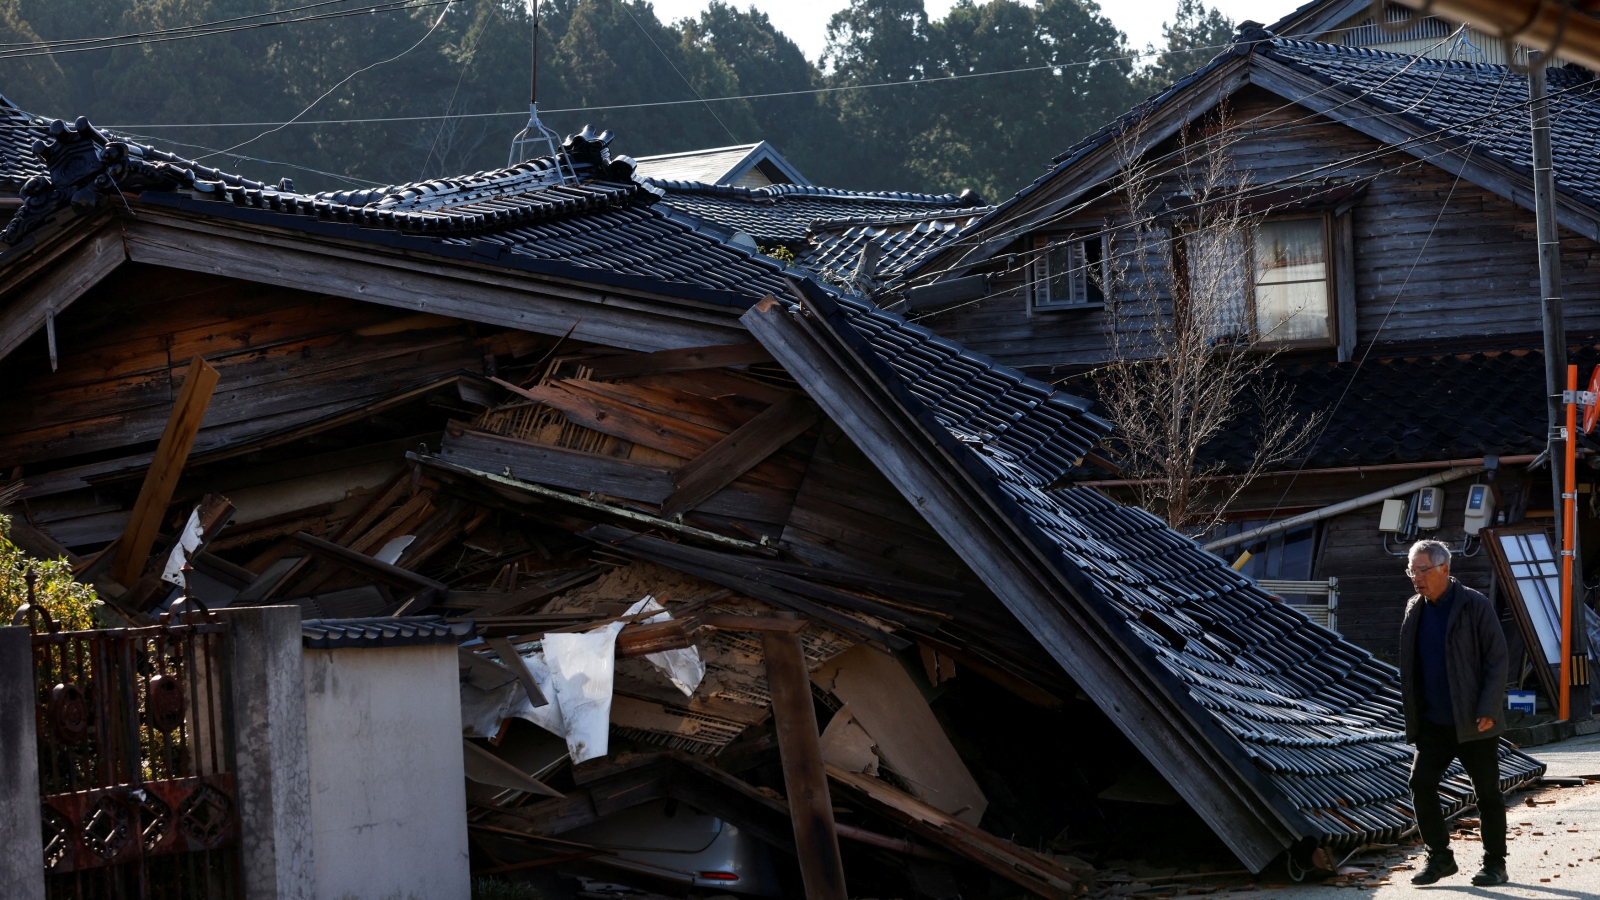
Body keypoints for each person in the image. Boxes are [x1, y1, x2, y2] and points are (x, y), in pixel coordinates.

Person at [1398, 539, 1509, 886]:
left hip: (1473, 719)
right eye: (1411, 570)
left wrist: (1489, 707)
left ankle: (1494, 863)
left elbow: (1497, 658)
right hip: (1433, 721)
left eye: (1422, 570)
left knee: (1487, 793)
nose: (1415, 577)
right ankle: (1440, 857)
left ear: (1444, 569)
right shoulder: (1414, 607)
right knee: (1420, 784)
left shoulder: (1473, 604)